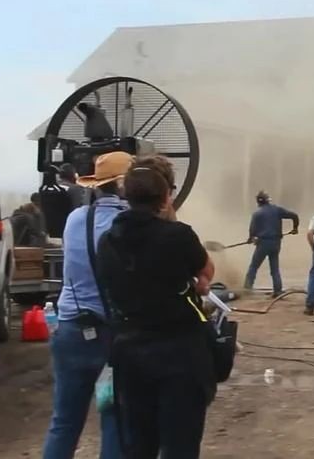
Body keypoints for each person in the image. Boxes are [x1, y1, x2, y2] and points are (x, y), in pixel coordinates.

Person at [96, 155, 217, 457]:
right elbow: (206, 274)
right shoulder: (178, 236)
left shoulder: (107, 242)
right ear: (165, 198)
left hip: (130, 352)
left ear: (126, 194)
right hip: (179, 353)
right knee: (180, 444)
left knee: (139, 444)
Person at [42, 152, 133, 459]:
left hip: (70, 327)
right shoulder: (127, 223)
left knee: (64, 420)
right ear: (125, 184)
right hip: (111, 332)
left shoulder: (76, 218)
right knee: (114, 417)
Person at [244, 191, 299, 296]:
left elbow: (252, 230)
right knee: (274, 268)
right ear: (268, 200)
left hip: (263, 243)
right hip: (276, 243)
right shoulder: (277, 210)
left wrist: (251, 238)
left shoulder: (257, 213)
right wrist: (295, 228)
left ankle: (246, 290)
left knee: (254, 266)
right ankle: (277, 290)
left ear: (258, 202)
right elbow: (294, 215)